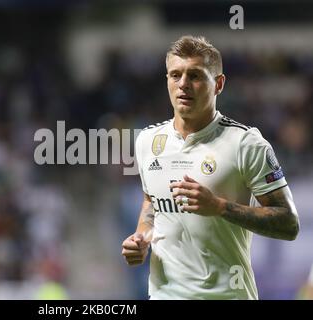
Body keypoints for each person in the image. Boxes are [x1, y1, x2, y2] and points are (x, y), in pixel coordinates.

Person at [121, 35, 299, 300]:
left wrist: (219, 206)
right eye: (175, 75)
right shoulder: (148, 141)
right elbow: (152, 201)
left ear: (218, 84)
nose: (183, 84)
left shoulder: (245, 143)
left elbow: (288, 223)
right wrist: (141, 237)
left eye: (195, 75)